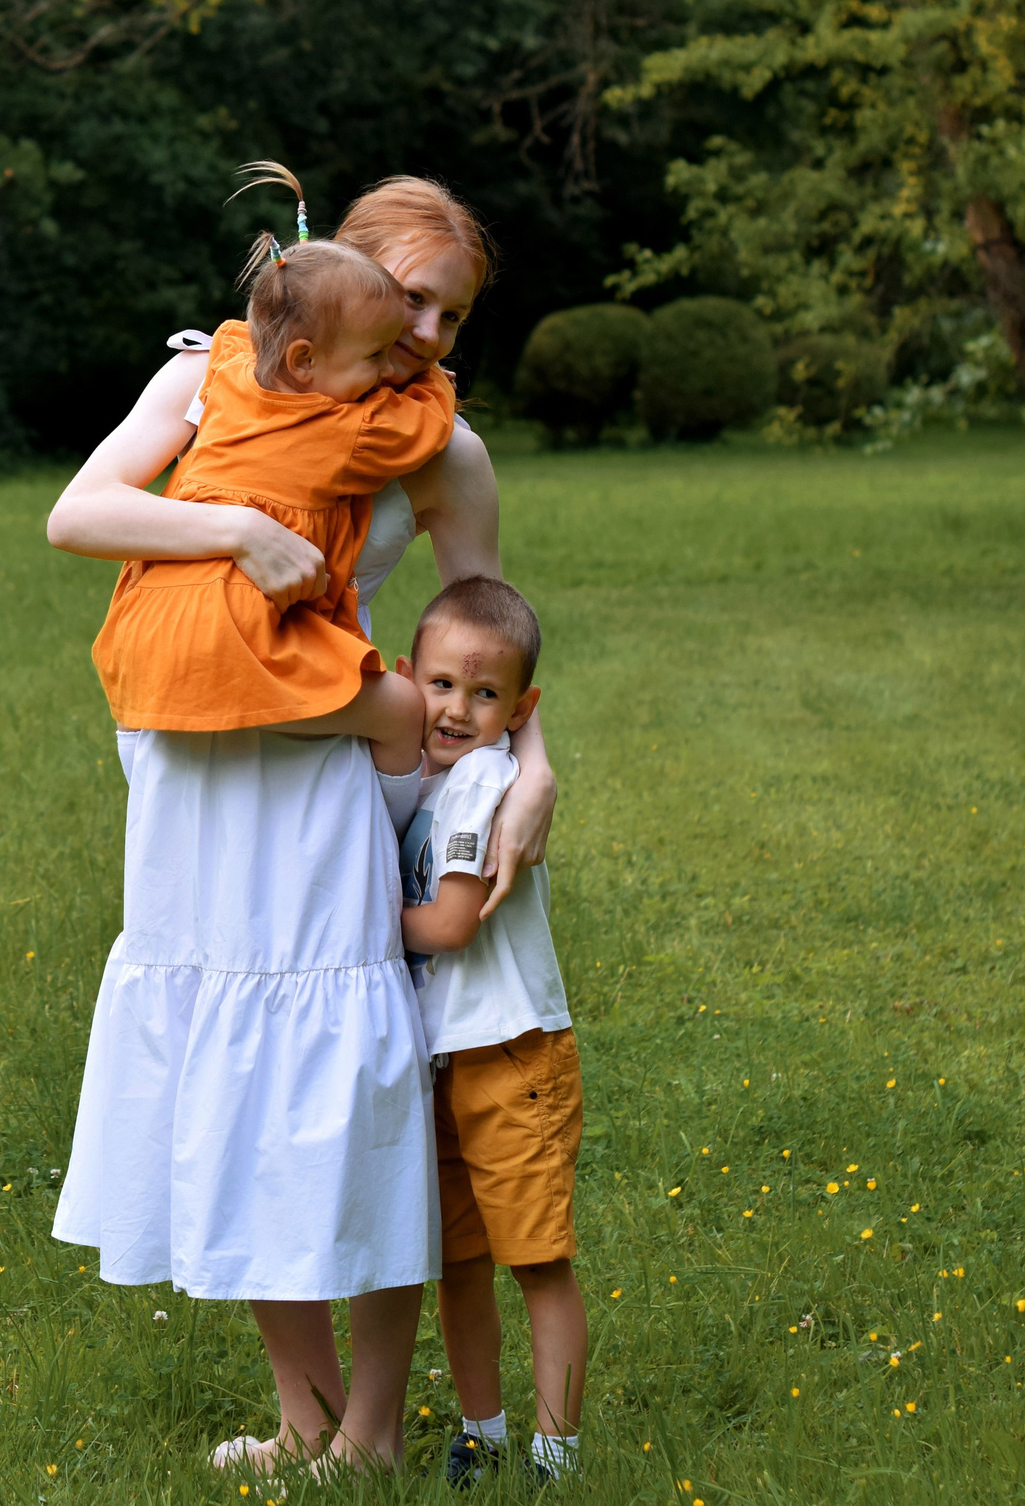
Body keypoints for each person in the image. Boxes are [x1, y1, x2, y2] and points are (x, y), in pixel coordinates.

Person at [46, 173, 555, 1474]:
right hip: (195, 786)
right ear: (337, 291)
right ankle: (305, 1416)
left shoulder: (442, 450)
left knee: (347, 1098)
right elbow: (82, 509)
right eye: (414, 301)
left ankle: (373, 1432)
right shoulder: (209, 384)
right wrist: (228, 529)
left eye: (455, 313)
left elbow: (485, 638)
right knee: (234, 1080)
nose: (433, 335)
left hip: (324, 794)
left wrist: (534, 765)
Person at [92, 164, 449, 752]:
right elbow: (426, 427)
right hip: (237, 640)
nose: (391, 366)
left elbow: (238, 338)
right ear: (306, 359)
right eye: (376, 353)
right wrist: (433, 381)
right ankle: (405, 838)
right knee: (401, 710)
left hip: (144, 635)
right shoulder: (349, 428)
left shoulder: (222, 376)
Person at [391, 577, 587, 1488]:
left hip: (509, 1051)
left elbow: (452, 923)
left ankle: (556, 1453)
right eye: (440, 685)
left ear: (521, 709)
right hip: (440, 1057)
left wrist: (347, 917)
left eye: (484, 693)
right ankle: (484, 1430)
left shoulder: (482, 781)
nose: (458, 709)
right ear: (405, 677)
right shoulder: (418, 779)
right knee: (458, 1260)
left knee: (535, 1257)